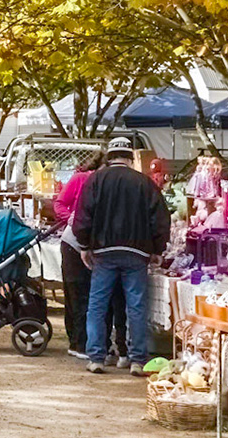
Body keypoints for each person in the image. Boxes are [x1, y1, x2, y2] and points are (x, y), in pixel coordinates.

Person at [71, 137, 172, 376]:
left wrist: (85, 245)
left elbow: (83, 216)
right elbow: (160, 219)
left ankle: (96, 357)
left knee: (97, 305)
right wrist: (157, 249)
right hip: (137, 252)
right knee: (136, 306)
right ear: (130, 158)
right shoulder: (144, 183)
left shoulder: (96, 180)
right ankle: (137, 359)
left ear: (110, 157)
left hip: (104, 252)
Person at [55, 153, 123, 362]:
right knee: (78, 294)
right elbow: (60, 205)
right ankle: (78, 342)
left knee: (97, 298)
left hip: (93, 245)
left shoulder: (109, 186)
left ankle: (96, 342)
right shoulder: (82, 180)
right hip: (75, 243)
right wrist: (72, 219)